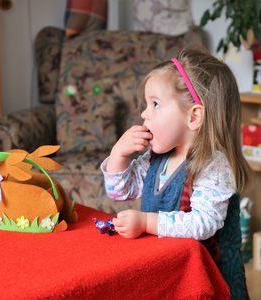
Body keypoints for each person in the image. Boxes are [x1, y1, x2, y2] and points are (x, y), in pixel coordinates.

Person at [101, 46, 251, 299]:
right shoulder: (156, 158)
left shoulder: (212, 165)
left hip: (206, 280)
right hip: (170, 270)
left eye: (155, 104)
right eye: (147, 105)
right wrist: (118, 155)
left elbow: (204, 223)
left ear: (193, 117)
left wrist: (147, 222)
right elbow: (120, 191)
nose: (143, 114)